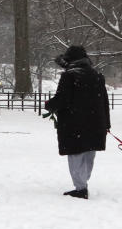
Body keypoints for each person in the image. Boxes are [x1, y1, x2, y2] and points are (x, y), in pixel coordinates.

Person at [43, 45, 110, 200]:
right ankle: (83, 183)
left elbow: (63, 99)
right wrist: (106, 123)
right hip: (95, 122)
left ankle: (80, 188)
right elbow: (104, 101)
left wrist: (49, 105)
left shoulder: (69, 76)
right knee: (89, 153)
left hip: (75, 123)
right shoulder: (97, 75)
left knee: (75, 155)